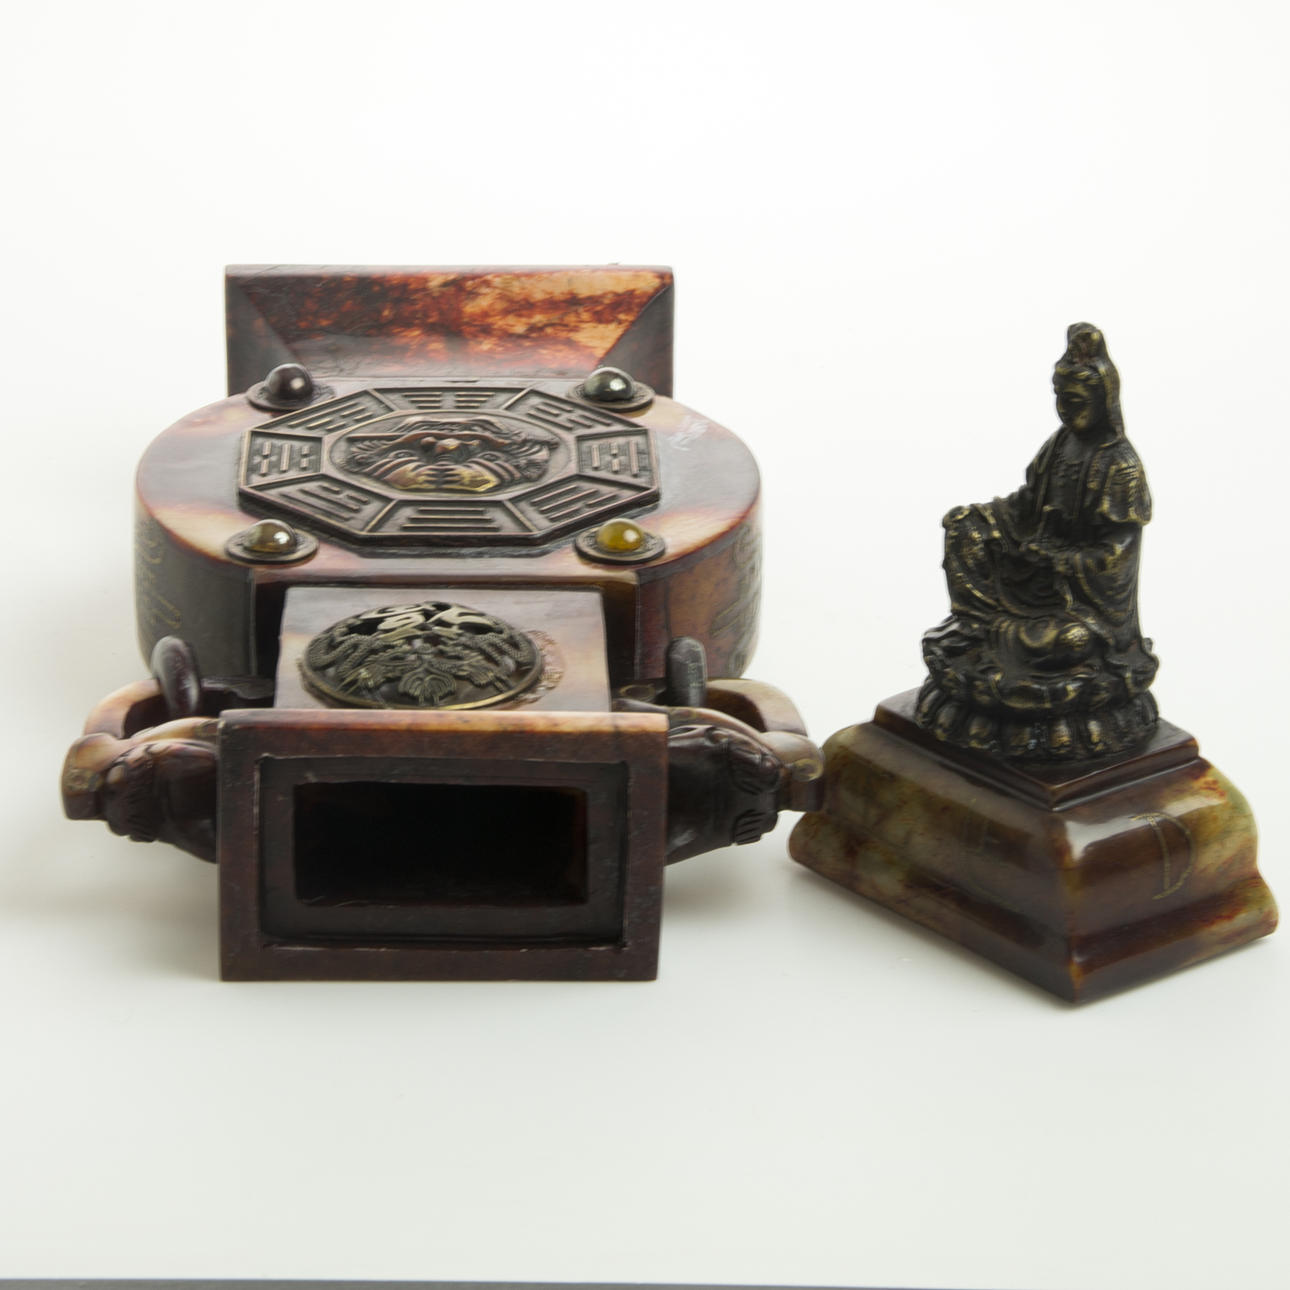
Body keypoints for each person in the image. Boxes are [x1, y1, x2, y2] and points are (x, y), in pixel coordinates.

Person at [917, 323, 1159, 760]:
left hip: (1082, 606)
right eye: (1060, 399)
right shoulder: (1060, 444)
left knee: (1068, 642)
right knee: (965, 532)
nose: (1066, 410)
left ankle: (994, 641)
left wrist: (1063, 559)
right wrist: (982, 517)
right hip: (1031, 572)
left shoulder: (1119, 466)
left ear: (1103, 402)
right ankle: (977, 625)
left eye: (1076, 402)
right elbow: (1025, 506)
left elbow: (1116, 556)